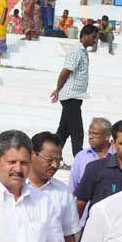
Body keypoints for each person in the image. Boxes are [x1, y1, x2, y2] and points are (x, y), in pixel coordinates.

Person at [51, 24, 96, 157]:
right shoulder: (76, 51)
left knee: (63, 131)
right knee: (77, 131)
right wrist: (57, 89)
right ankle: (79, 160)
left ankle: (52, 156)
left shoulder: (83, 51)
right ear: (85, 36)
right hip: (70, 96)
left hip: (76, 96)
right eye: (93, 37)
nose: (95, 40)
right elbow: (65, 72)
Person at [68, 117, 113, 193]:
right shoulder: (81, 157)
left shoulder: (117, 156)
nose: (90, 137)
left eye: (95, 133)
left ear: (107, 136)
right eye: (89, 133)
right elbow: (72, 187)